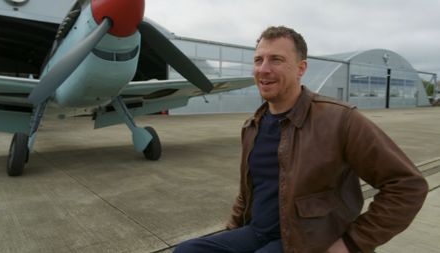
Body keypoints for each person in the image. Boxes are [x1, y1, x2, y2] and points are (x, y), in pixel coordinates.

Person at [174, 26, 428, 253]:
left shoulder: (340, 119)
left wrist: (352, 244)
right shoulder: (253, 125)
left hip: (308, 241)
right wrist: (232, 233)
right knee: (187, 251)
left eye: (276, 60)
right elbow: (248, 192)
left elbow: (407, 186)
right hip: (257, 233)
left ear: (301, 68)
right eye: (258, 60)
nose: (264, 69)